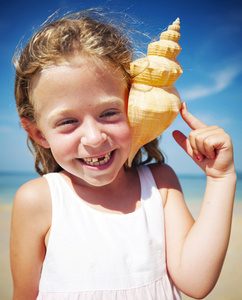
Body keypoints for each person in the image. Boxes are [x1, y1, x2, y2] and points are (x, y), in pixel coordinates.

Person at [10, 9, 237, 300]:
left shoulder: (160, 185)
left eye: (109, 113)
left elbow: (196, 281)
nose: (94, 138)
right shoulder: (38, 200)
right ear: (39, 133)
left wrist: (220, 179)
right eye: (68, 121)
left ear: (133, 108)